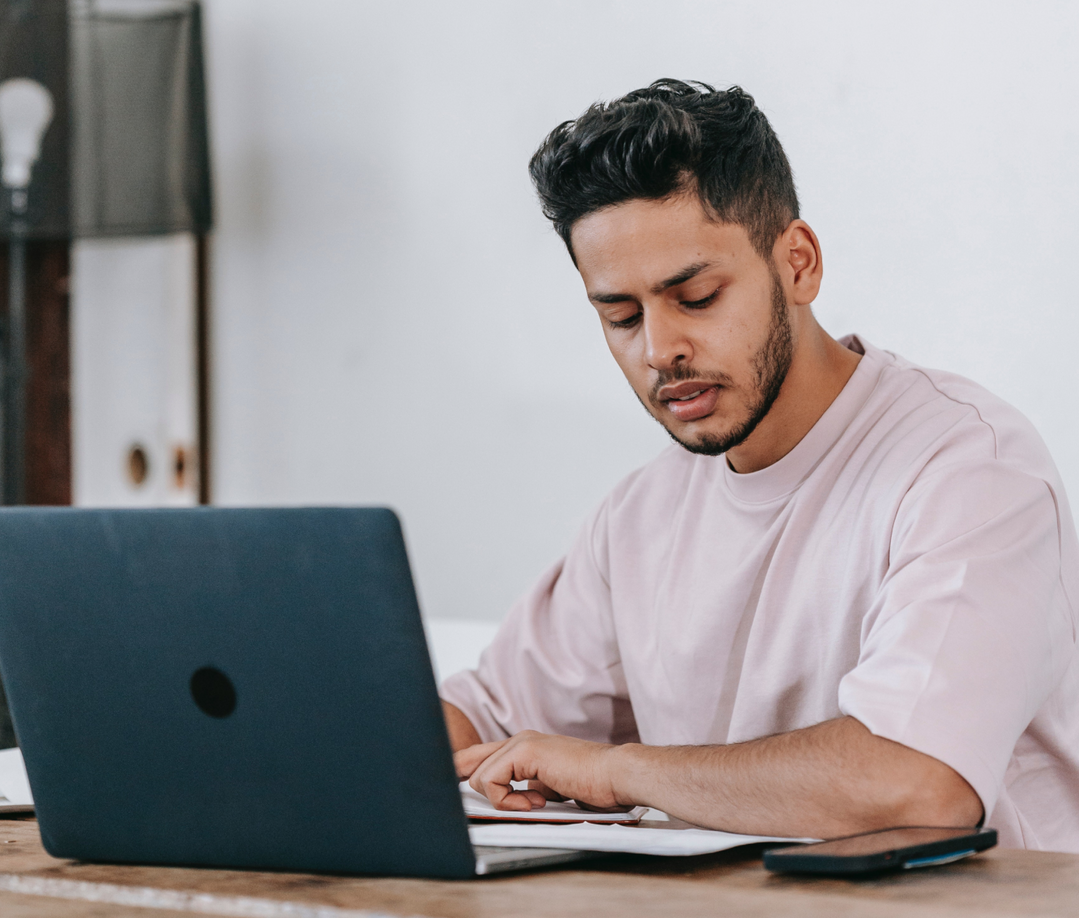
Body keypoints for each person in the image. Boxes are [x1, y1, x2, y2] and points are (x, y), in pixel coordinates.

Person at [440, 79, 1079, 851]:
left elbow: (917, 784)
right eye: (621, 315)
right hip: (737, 915)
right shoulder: (640, 516)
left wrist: (619, 771)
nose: (659, 349)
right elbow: (485, 717)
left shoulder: (969, 469)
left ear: (798, 264)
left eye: (697, 297)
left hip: (967, 916)